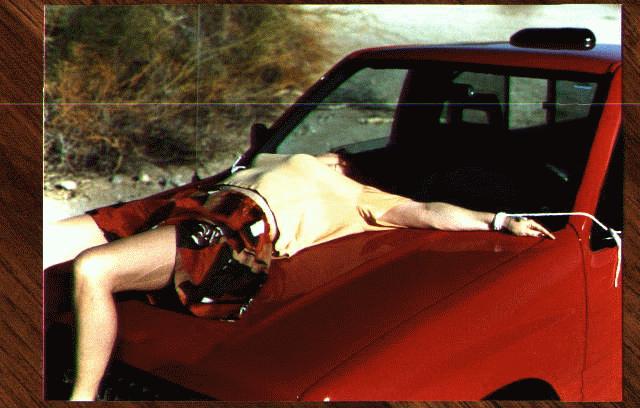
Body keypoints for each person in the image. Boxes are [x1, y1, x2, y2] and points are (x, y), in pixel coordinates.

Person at [44, 152, 554, 401]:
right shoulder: (285, 157)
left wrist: (497, 221)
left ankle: (81, 398)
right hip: (188, 205)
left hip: (233, 226)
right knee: (43, 248)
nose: (340, 154)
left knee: (94, 269)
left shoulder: (361, 196)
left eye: (347, 159)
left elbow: (428, 212)